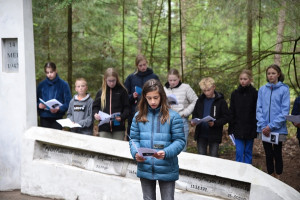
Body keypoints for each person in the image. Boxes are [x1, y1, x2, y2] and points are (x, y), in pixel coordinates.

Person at [129, 79, 185, 200]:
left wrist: (166, 152)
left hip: (167, 167)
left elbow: (180, 141)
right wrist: (135, 153)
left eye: (156, 97)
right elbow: (134, 139)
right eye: (149, 98)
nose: (153, 101)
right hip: (145, 167)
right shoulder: (138, 117)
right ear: (144, 97)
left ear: (162, 97)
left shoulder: (173, 117)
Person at [256, 64, 290, 178]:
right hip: (264, 128)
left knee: (277, 153)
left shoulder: (284, 89)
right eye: (269, 73)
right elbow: (259, 108)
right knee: (268, 154)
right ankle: (270, 175)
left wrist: (271, 126)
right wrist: (263, 125)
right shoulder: (262, 89)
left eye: (273, 73)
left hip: (277, 129)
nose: (270, 76)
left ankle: (279, 177)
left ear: (278, 74)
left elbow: (284, 111)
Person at [191, 77, 229, 157]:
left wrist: (215, 123)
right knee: (201, 158)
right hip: (201, 134)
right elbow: (195, 114)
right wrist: (194, 121)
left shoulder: (221, 101)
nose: (207, 93)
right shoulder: (200, 100)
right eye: (204, 91)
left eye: (208, 90)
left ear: (214, 87)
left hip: (214, 135)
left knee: (213, 158)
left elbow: (226, 117)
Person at [124, 54, 159, 139]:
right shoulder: (131, 78)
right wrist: (132, 96)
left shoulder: (154, 77)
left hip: (150, 112)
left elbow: (159, 94)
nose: (143, 67)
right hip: (134, 112)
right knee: (133, 138)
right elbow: (124, 97)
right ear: (137, 66)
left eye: (144, 65)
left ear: (147, 63)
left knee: (148, 138)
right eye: (140, 65)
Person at [164, 68, 198, 151]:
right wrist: (165, 107)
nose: (172, 82)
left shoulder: (186, 88)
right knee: (168, 148)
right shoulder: (164, 89)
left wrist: (185, 112)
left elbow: (195, 101)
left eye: (174, 80)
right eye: (170, 80)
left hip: (181, 120)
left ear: (179, 78)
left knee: (181, 148)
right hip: (167, 121)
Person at [228, 69, 258, 164]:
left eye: (245, 79)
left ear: (250, 79)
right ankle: (238, 176)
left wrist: (256, 127)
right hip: (238, 128)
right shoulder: (235, 94)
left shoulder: (255, 94)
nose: (243, 81)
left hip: (250, 128)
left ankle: (248, 175)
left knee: (248, 152)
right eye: (241, 79)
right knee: (239, 152)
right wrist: (231, 127)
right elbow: (231, 111)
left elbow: (257, 111)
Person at [92, 68, 130, 140]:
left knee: (117, 149)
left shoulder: (122, 91)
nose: (112, 83)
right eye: (109, 81)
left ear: (117, 79)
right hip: (104, 128)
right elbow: (95, 107)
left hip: (119, 128)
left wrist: (122, 117)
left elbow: (127, 108)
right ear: (105, 79)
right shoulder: (101, 92)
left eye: (113, 81)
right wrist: (95, 114)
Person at [37, 62, 72, 130]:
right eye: (47, 72)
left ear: (56, 70)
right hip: (44, 117)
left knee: (56, 138)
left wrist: (59, 108)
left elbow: (69, 102)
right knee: (45, 139)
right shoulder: (41, 85)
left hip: (58, 118)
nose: (49, 74)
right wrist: (39, 105)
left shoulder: (64, 85)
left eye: (51, 72)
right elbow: (35, 101)